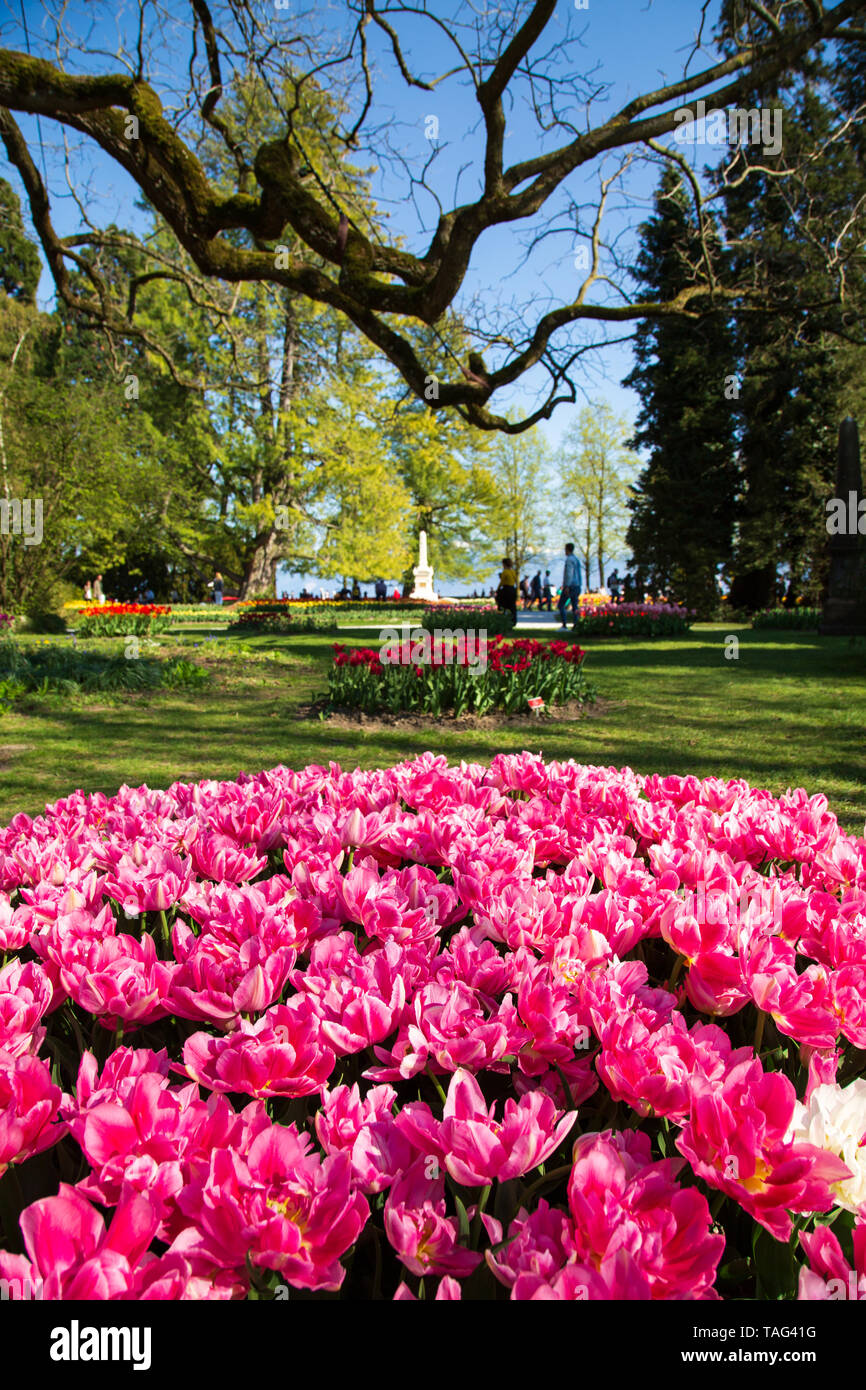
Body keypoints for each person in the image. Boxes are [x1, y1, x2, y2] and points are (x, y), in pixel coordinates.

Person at [558, 543, 582, 631]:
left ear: (567, 549)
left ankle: (564, 625)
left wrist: (566, 586)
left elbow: (569, 573)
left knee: (561, 605)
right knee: (575, 606)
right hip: (577, 585)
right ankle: (576, 625)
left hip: (570, 586)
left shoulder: (569, 560)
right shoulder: (576, 559)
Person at [497, 556, 518, 623]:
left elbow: (502, 582)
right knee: (512, 606)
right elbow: (516, 581)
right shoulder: (513, 572)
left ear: (504, 564)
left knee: (503, 604)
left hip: (506, 589)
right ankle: (513, 620)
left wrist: (498, 589)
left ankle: (503, 618)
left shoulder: (505, 572)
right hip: (512, 589)